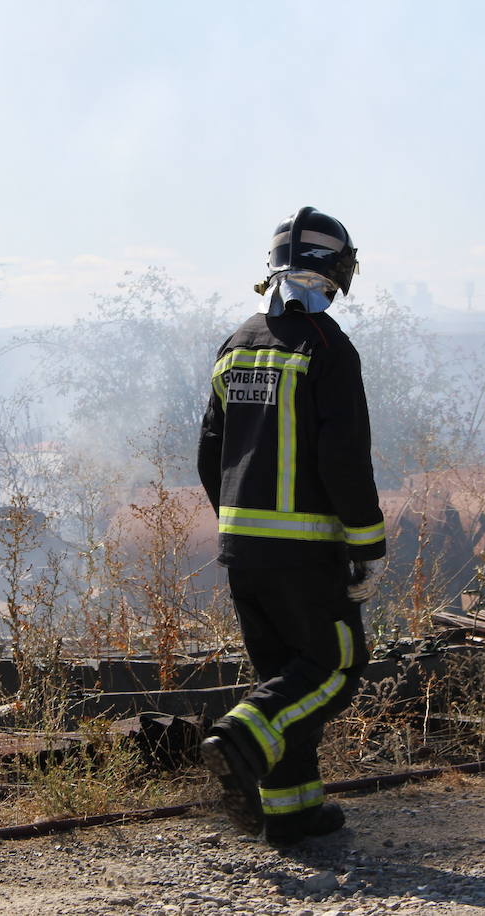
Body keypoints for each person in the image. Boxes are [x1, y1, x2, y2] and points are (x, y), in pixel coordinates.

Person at [196, 205, 386, 846]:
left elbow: (208, 455)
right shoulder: (327, 346)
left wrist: (237, 528)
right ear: (336, 270)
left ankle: (292, 811)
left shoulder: (236, 344)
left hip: (243, 549)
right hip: (305, 550)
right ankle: (240, 738)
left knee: (283, 672)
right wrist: (367, 538)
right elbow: (343, 456)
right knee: (334, 666)